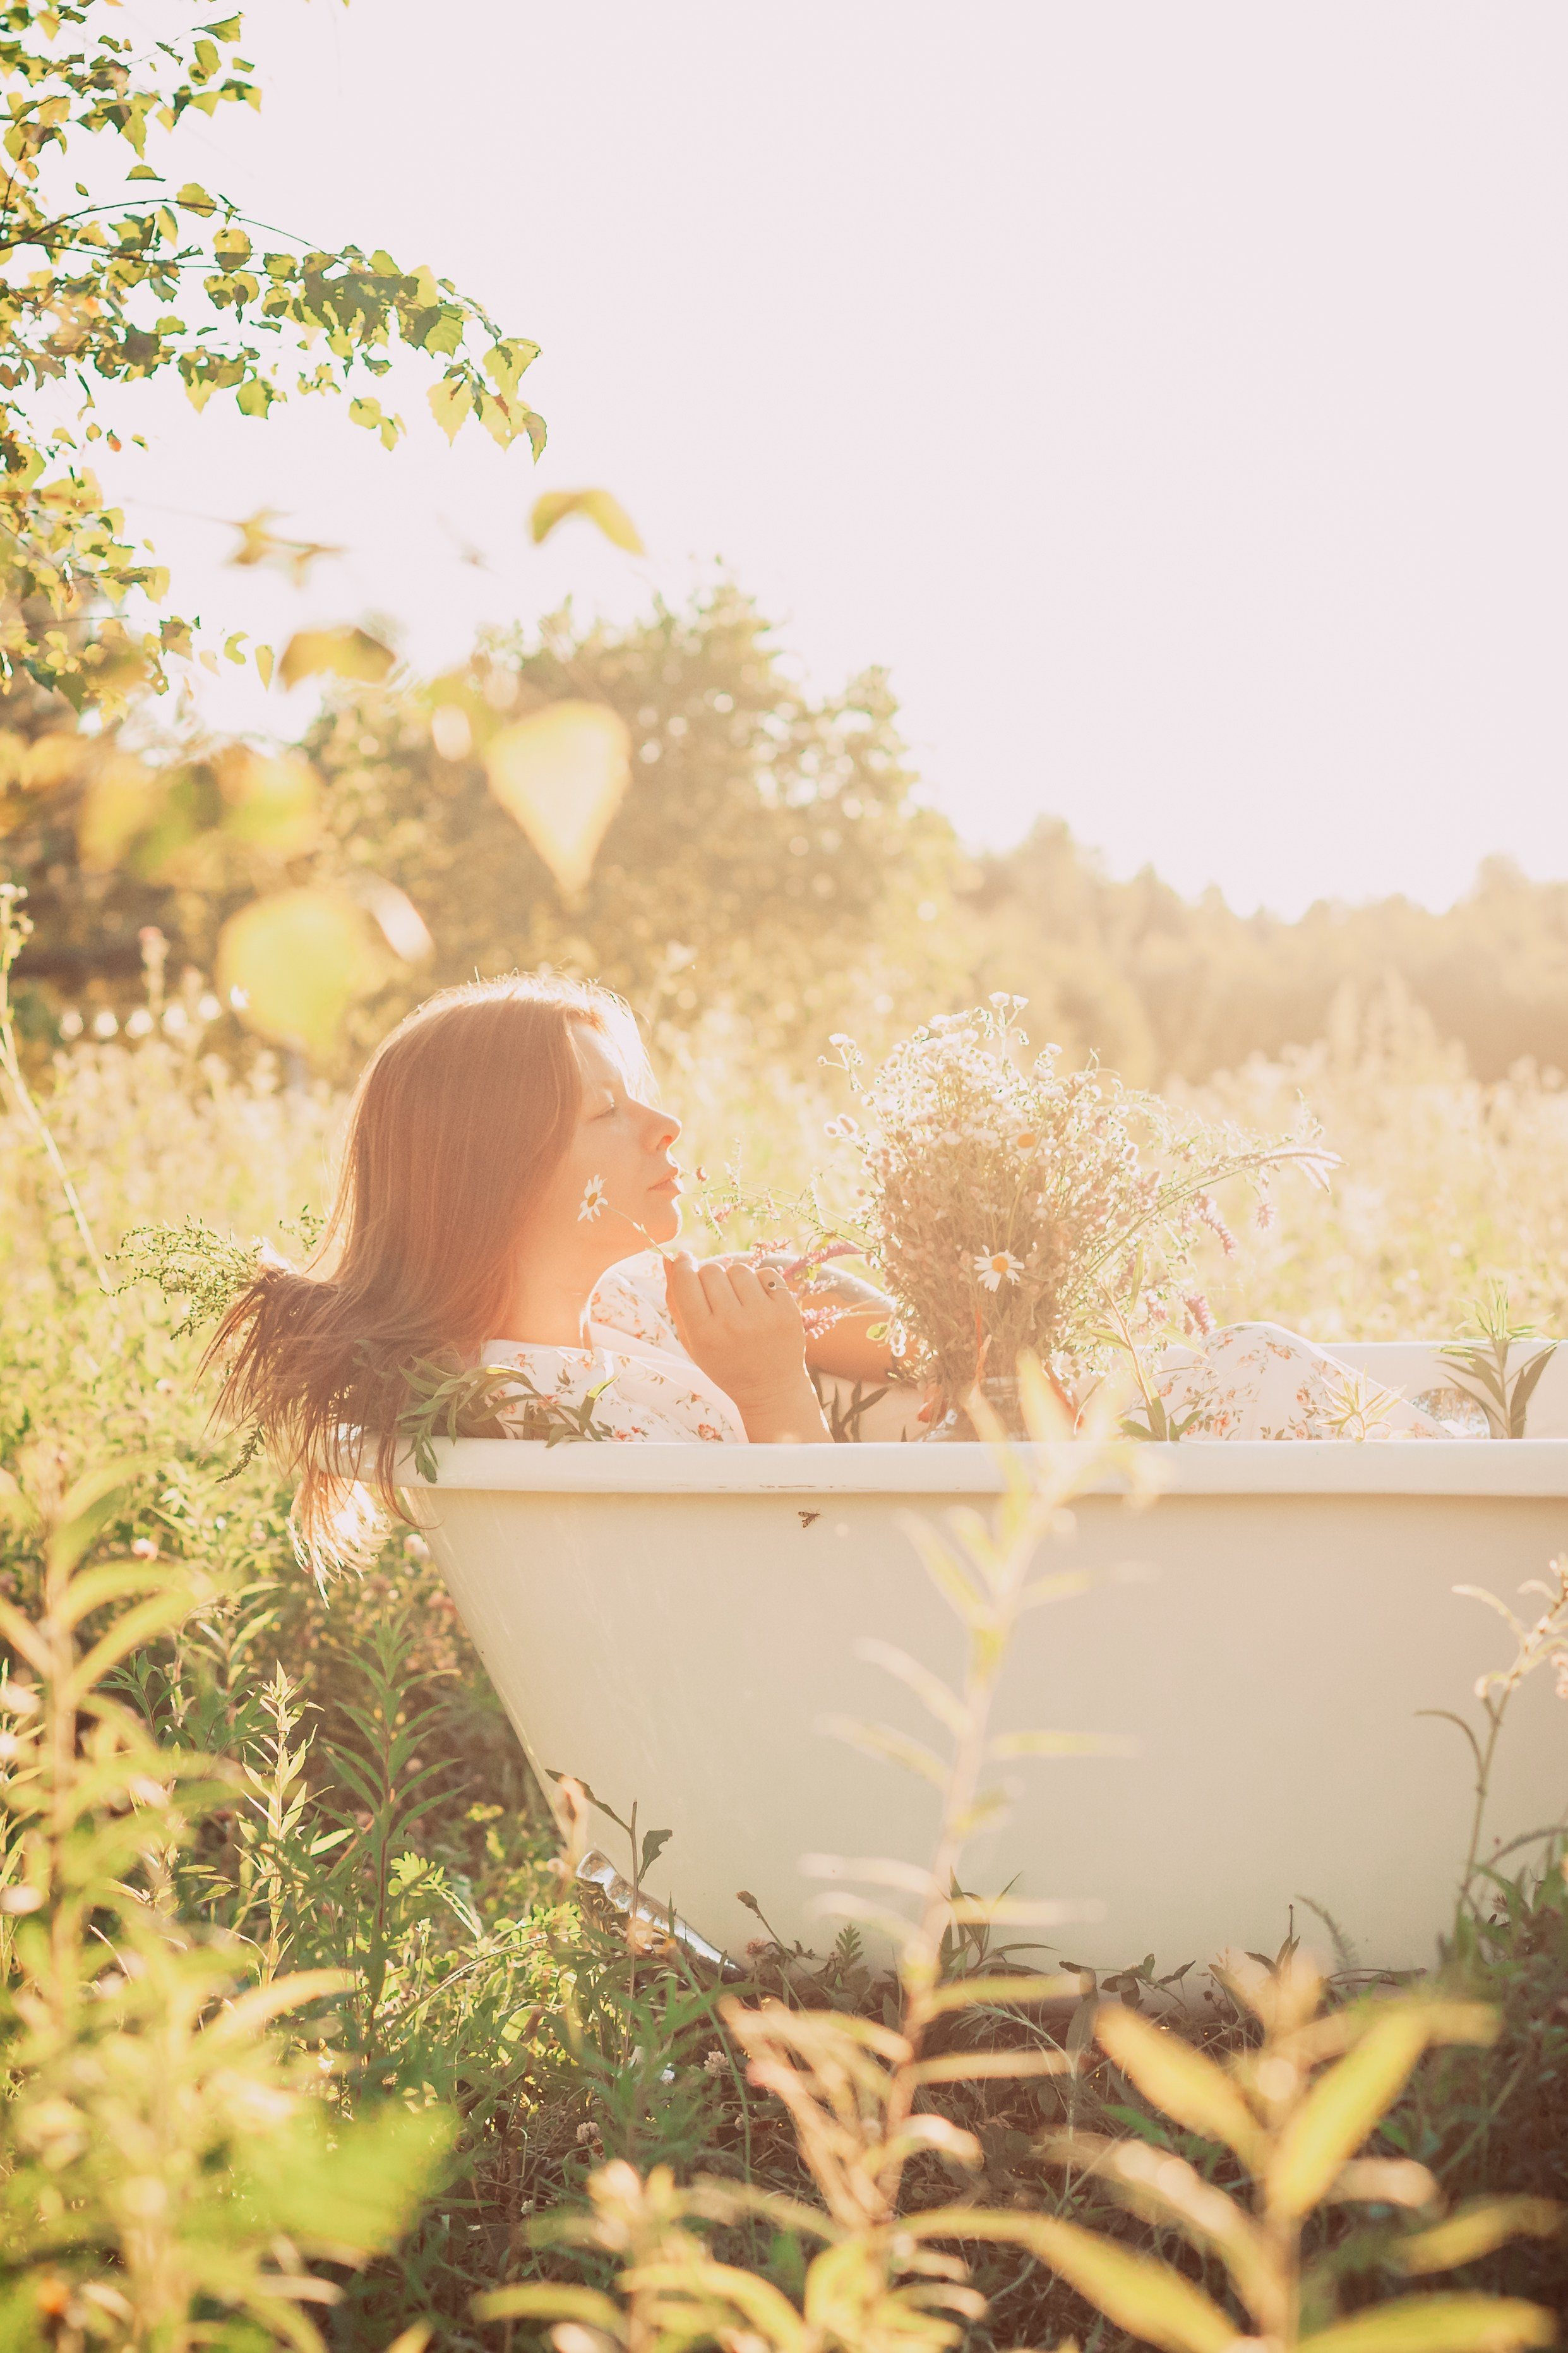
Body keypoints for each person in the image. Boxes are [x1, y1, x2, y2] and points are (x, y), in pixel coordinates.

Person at [210, 977, 897, 1569]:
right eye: (606, 1110)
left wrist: (927, 1340)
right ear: (499, 1177)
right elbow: (815, 1578)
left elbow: (782, 1283)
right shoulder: (545, 1416)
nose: (666, 1124)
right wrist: (773, 1391)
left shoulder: (615, 1309)